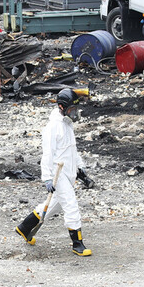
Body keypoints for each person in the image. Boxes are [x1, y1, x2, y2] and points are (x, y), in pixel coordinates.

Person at [14, 87, 95, 257]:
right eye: (71, 109)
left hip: (69, 171)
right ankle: (77, 244)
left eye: (75, 109)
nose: (74, 112)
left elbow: (72, 149)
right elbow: (47, 154)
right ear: (61, 107)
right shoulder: (52, 127)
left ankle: (25, 228)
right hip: (58, 174)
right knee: (71, 205)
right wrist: (47, 178)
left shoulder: (67, 123)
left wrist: (80, 169)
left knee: (53, 205)